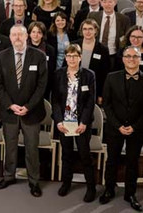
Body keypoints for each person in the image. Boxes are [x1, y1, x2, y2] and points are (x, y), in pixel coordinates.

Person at [0, 25, 48, 197]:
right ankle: (9, 176)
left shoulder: (38, 56)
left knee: (32, 149)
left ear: (27, 37)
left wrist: (28, 106)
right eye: (14, 34)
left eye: (20, 34)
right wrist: (10, 105)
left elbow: (42, 86)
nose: (17, 37)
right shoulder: (2, 56)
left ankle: (34, 181)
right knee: (10, 147)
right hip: (9, 112)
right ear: (9, 37)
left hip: (31, 112)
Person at [51, 44, 97, 202]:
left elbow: (90, 102)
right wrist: (58, 121)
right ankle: (66, 183)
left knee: (85, 155)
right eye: (69, 56)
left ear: (80, 57)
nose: (72, 59)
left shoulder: (89, 75)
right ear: (65, 58)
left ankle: (91, 187)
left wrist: (84, 122)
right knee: (66, 154)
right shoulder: (58, 74)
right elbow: (55, 100)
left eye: (75, 56)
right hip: (64, 122)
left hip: (81, 123)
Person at [100, 46, 143, 211]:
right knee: (112, 160)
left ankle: (130, 194)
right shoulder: (111, 77)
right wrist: (118, 126)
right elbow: (107, 105)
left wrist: (135, 126)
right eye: (128, 56)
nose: (131, 59)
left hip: (137, 130)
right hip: (114, 128)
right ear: (123, 59)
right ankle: (109, 190)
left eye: (135, 56)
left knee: (132, 162)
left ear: (139, 59)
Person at [71, 19, 110, 105]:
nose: (87, 32)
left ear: (96, 30)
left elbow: (105, 74)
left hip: (94, 87)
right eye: (85, 29)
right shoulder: (74, 45)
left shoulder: (103, 49)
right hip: (74, 85)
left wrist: (101, 94)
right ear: (81, 31)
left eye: (90, 29)